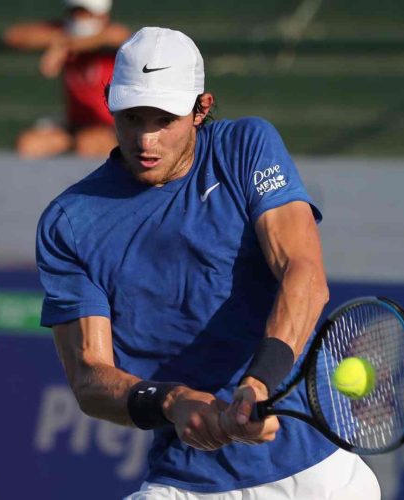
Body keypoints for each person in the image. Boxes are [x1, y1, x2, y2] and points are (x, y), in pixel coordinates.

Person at [35, 27, 381, 499]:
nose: (145, 138)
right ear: (110, 105)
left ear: (201, 109)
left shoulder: (245, 147)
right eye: (132, 117)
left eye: (164, 119)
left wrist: (259, 383)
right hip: (186, 482)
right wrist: (172, 400)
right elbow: (91, 377)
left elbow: (304, 274)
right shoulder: (68, 222)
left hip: (318, 476)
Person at [4, 0, 130, 158]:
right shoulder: (62, 32)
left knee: (89, 144)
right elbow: (15, 36)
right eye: (75, 12)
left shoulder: (112, 35)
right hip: (74, 126)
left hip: (110, 127)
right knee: (29, 143)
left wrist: (65, 46)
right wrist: (62, 40)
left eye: (86, 13)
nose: (80, 18)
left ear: (103, 16)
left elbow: (115, 35)